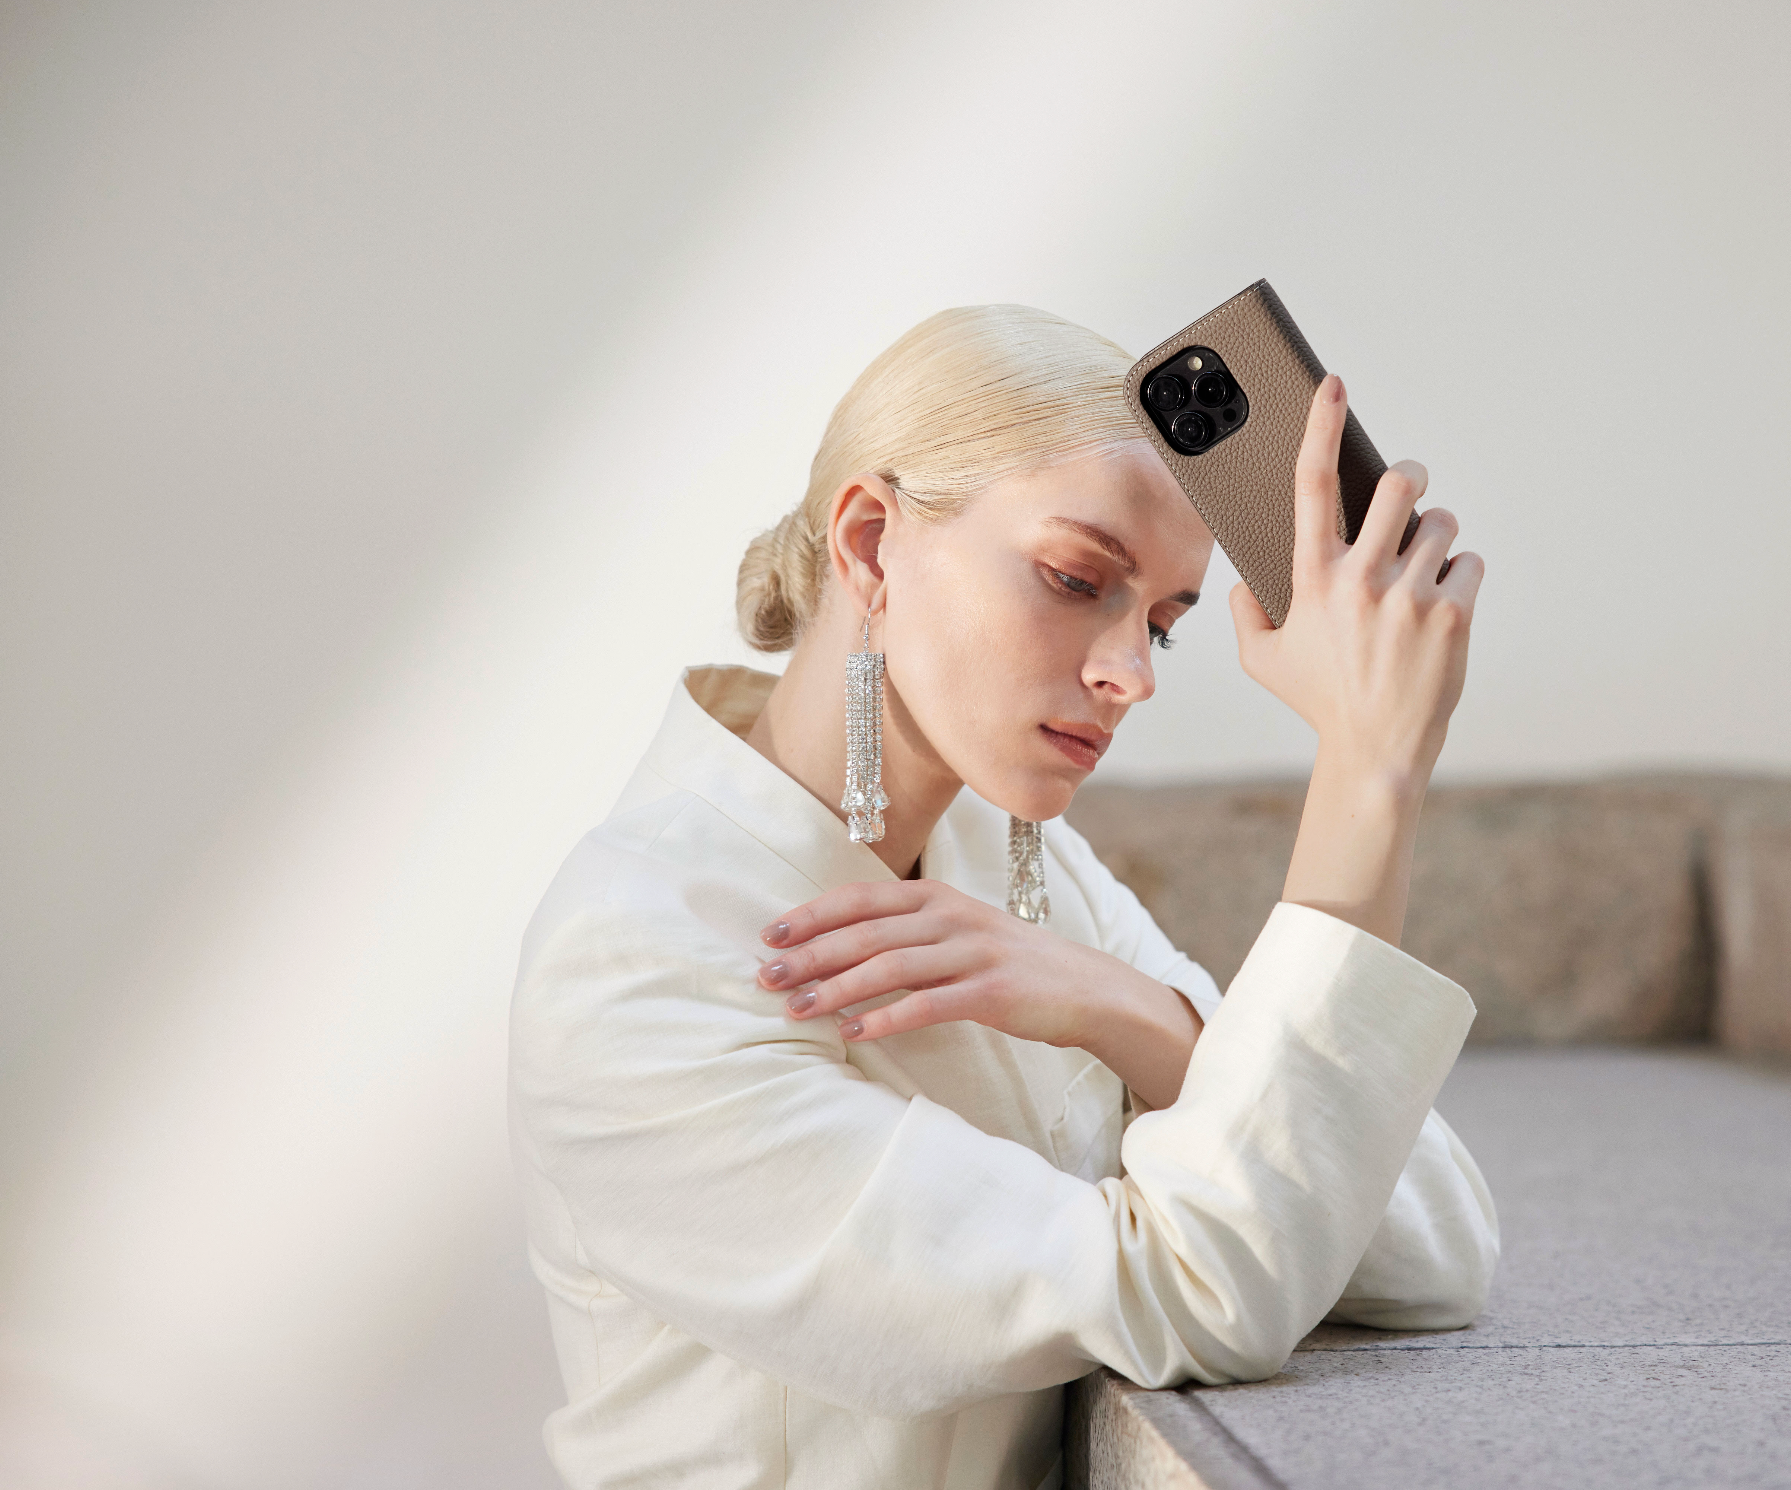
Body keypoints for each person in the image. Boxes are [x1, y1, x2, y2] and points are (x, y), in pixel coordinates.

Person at [507, 304, 1498, 1489]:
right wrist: (1367, 770)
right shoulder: (637, 963)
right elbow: (1203, 1295)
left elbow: (1432, 1244)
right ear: (870, 543)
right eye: (1077, 578)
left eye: (1164, 628)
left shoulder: (1019, 863)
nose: (1127, 673)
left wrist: (1133, 1012)